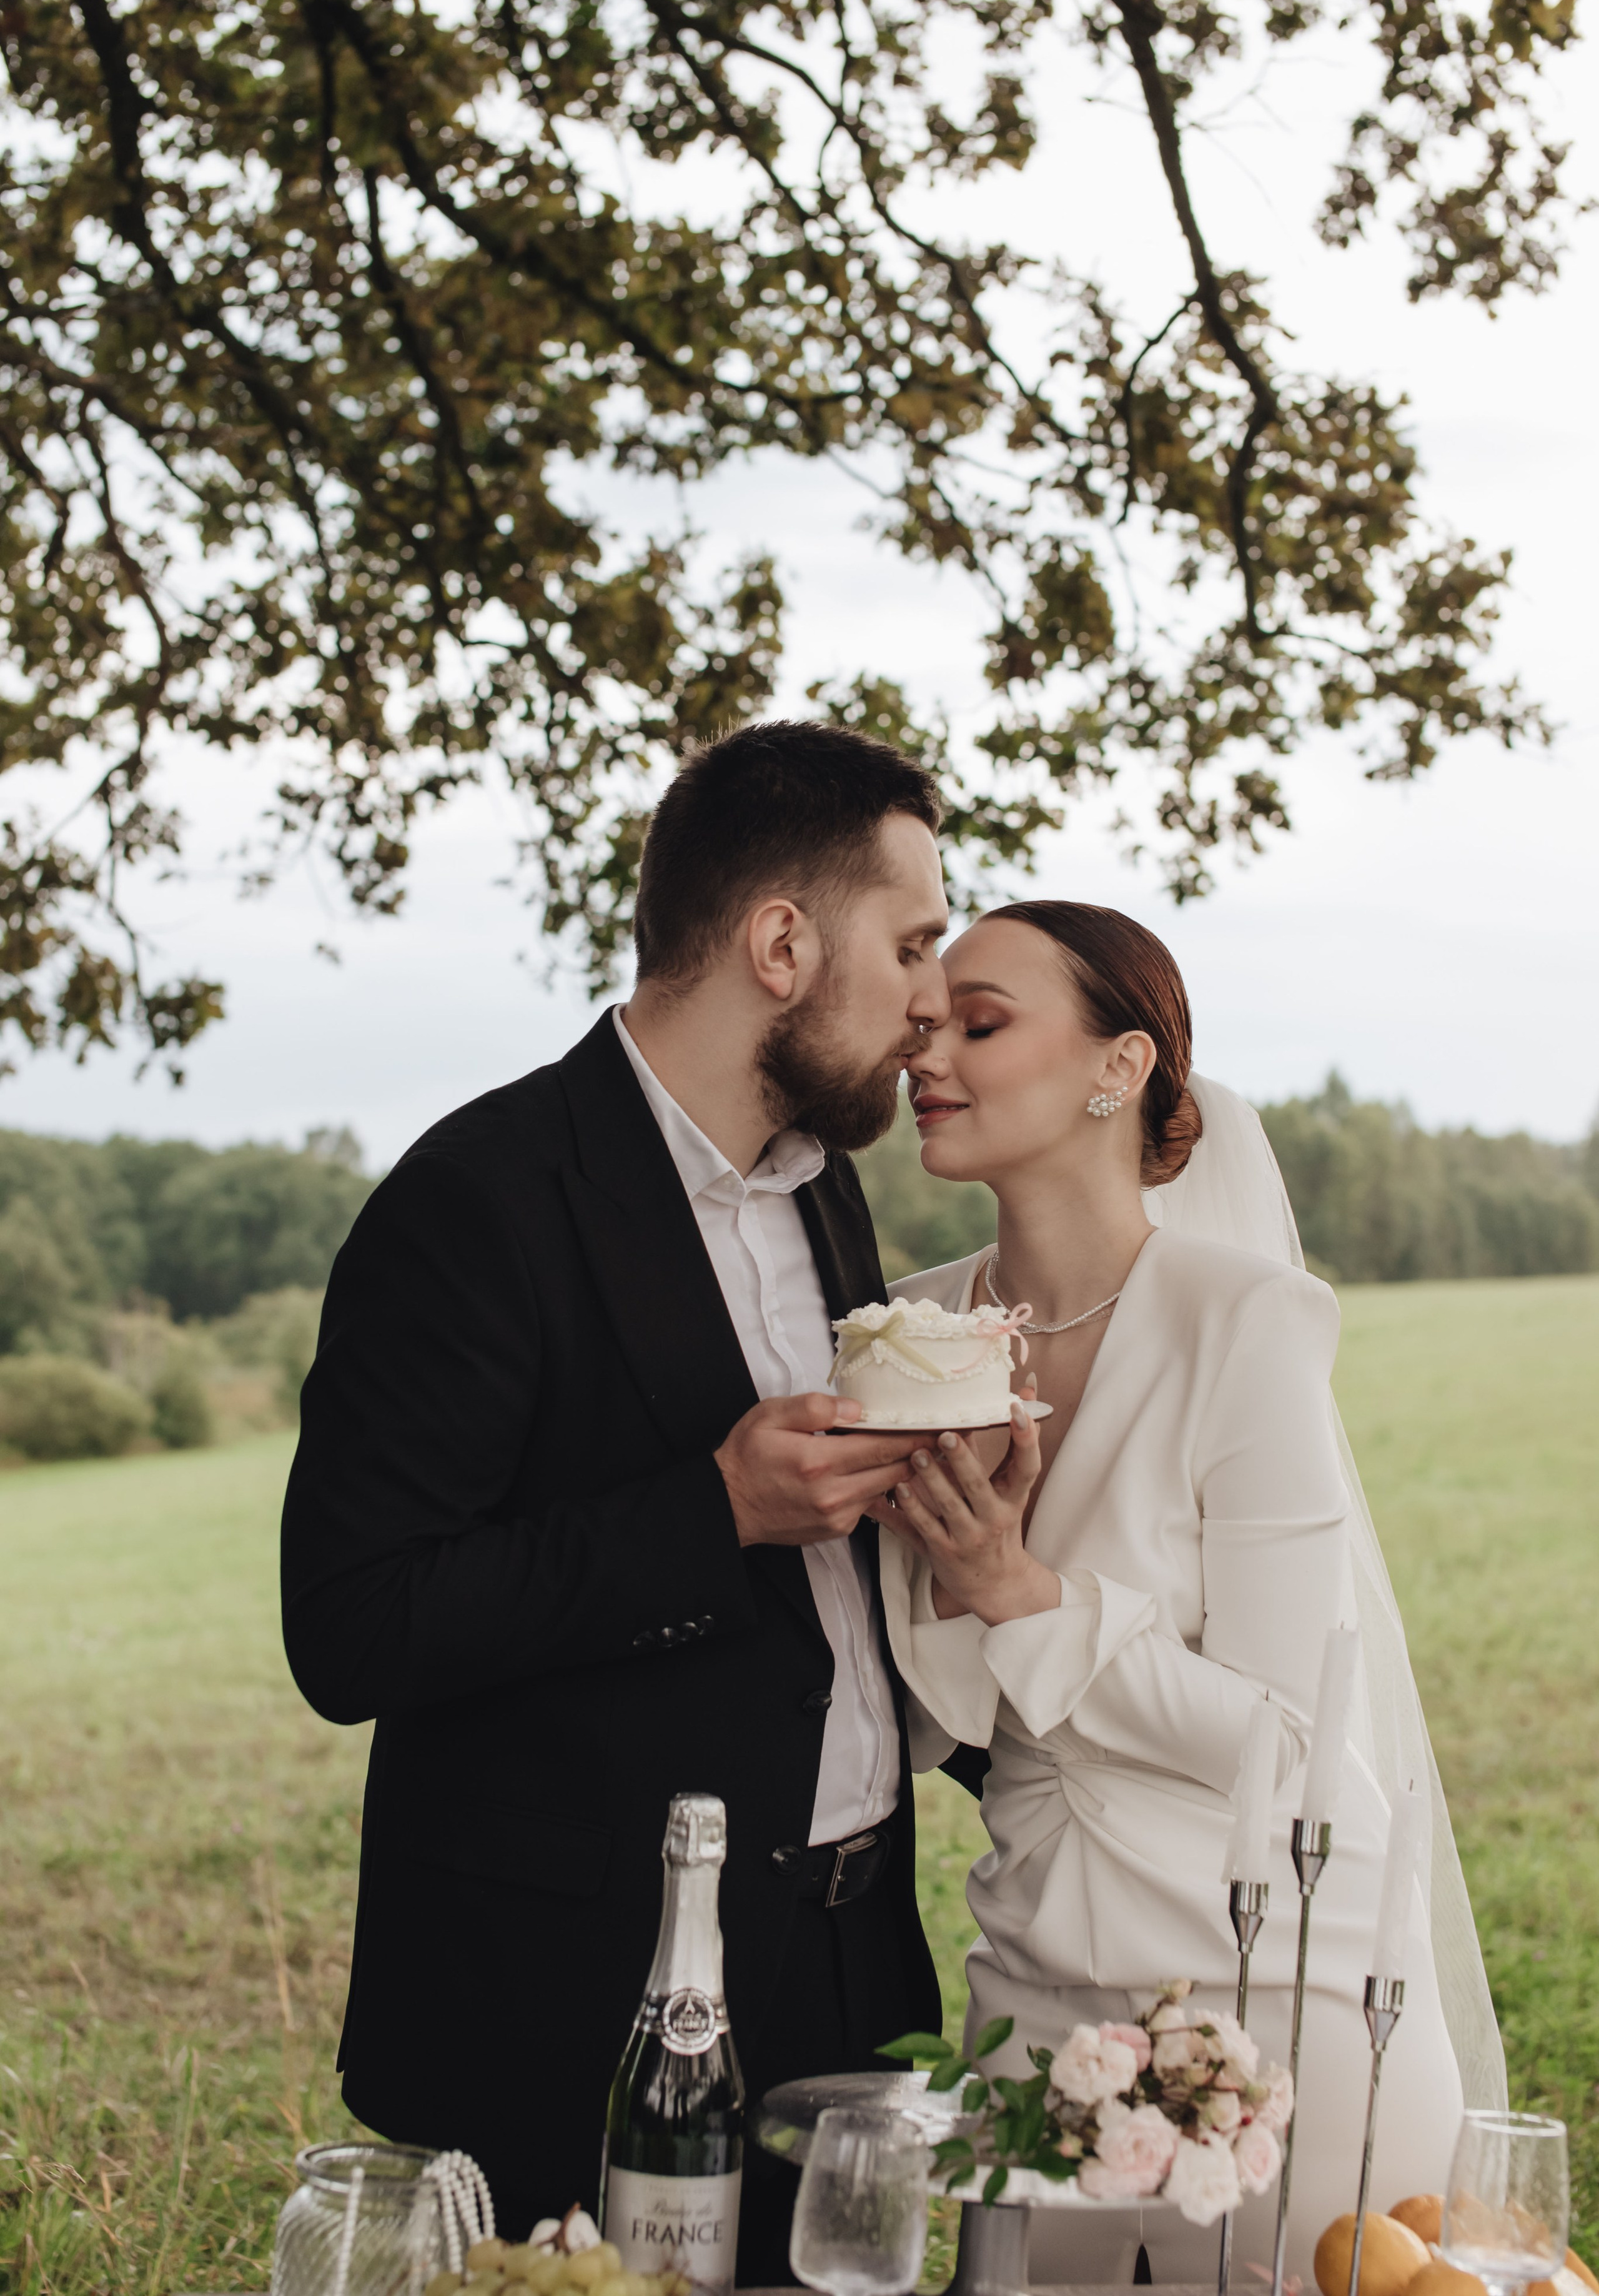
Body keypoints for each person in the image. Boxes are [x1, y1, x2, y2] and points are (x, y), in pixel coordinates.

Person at [280, 722, 983, 2285]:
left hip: (842, 1965)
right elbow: (351, 1624)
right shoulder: (476, 1199)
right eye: (911, 942)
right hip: (571, 1999)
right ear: (781, 945)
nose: (930, 996)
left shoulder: (825, 1183)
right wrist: (710, 1511)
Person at [866, 900, 1503, 2286]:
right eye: (925, 1025)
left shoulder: (1246, 1323)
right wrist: (953, 1583)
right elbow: (923, 1717)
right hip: (1030, 1988)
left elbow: (1285, 1733)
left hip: (1274, 1983)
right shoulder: (907, 1334)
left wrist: (1016, 1588)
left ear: (1121, 1065)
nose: (927, 1056)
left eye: (981, 1024)